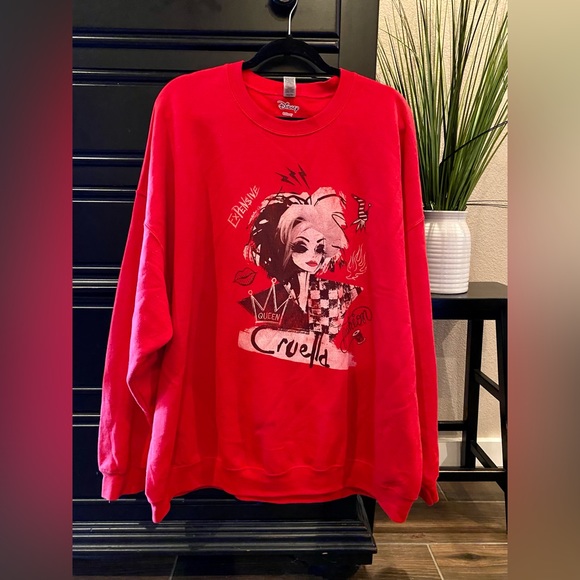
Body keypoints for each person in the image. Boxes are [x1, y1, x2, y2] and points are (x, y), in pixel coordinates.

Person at [241, 187, 361, 342]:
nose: (313, 255)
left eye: (319, 248)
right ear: (283, 248)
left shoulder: (337, 292)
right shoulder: (268, 299)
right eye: (301, 247)